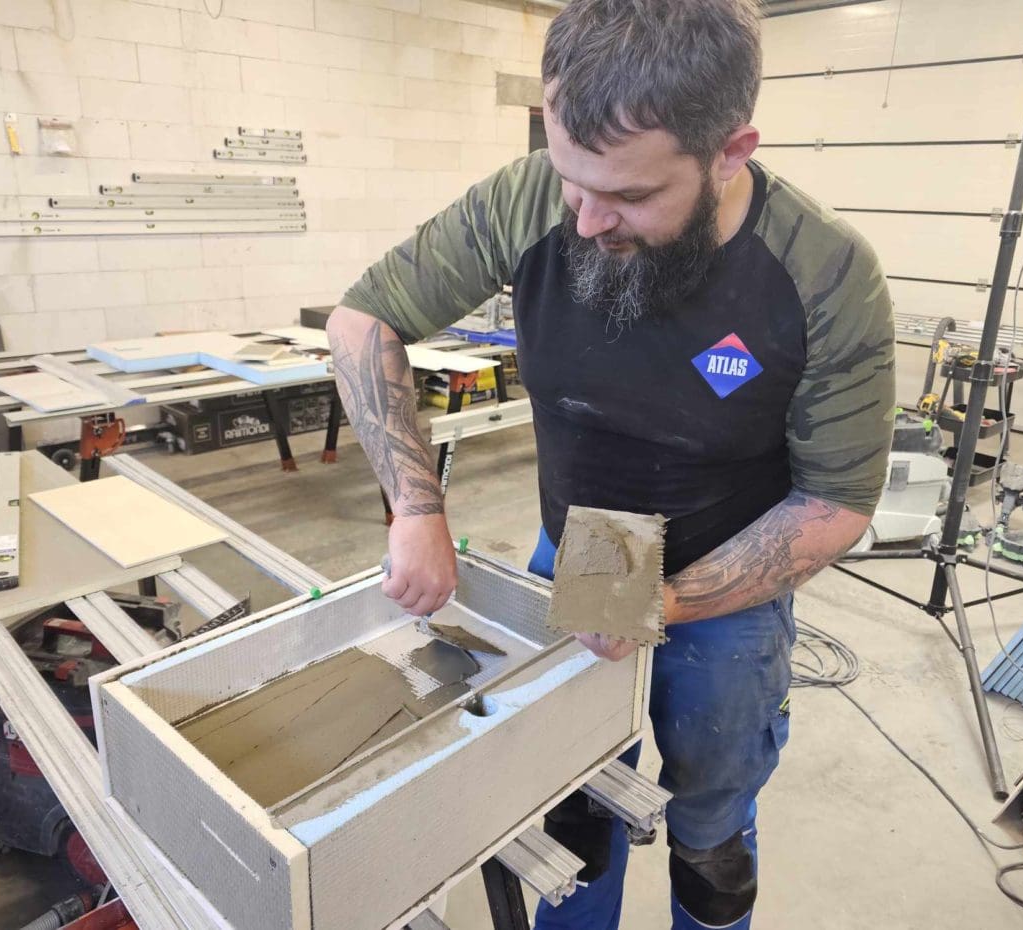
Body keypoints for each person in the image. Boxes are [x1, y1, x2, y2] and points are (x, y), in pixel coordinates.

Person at [327, 0, 895, 925]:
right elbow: (364, 320)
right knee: (575, 804)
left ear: (730, 152)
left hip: (731, 572)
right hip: (581, 551)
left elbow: (836, 502)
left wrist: (660, 604)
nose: (588, 220)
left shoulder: (823, 272)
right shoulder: (529, 200)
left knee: (711, 828)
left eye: (630, 196)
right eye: (570, 181)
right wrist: (416, 507)